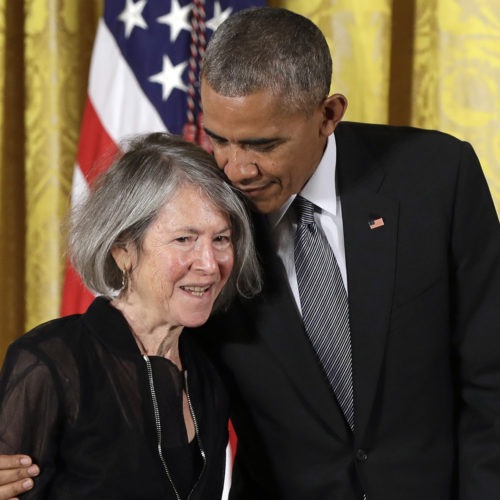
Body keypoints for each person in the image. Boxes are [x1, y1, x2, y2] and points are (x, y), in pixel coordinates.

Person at [3, 6, 500, 499]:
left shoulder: (437, 176)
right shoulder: (209, 213)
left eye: (262, 145)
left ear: (328, 115)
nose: (237, 170)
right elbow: (125, 372)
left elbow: (490, 374)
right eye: (219, 139)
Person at [0, 132, 261, 499]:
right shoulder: (49, 364)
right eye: (184, 239)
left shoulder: (210, 374)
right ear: (123, 249)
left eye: (221, 238)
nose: (209, 264)